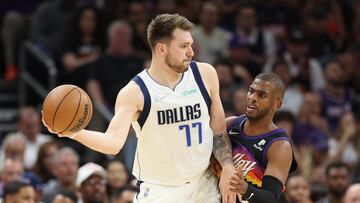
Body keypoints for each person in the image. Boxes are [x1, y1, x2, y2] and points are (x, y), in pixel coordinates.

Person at [43, 13, 236, 202]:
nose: (191, 52)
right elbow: (113, 143)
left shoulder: (205, 74)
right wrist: (73, 133)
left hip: (204, 185)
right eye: (184, 46)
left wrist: (227, 166)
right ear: (161, 49)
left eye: (191, 45)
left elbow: (218, 131)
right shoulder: (134, 92)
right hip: (161, 191)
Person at [214, 73, 297, 202]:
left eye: (261, 95)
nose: (252, 98)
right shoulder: (230, 124)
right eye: (251, 91)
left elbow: (271, 199)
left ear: (277, 105)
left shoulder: (279, 145)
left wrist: (245, 188)